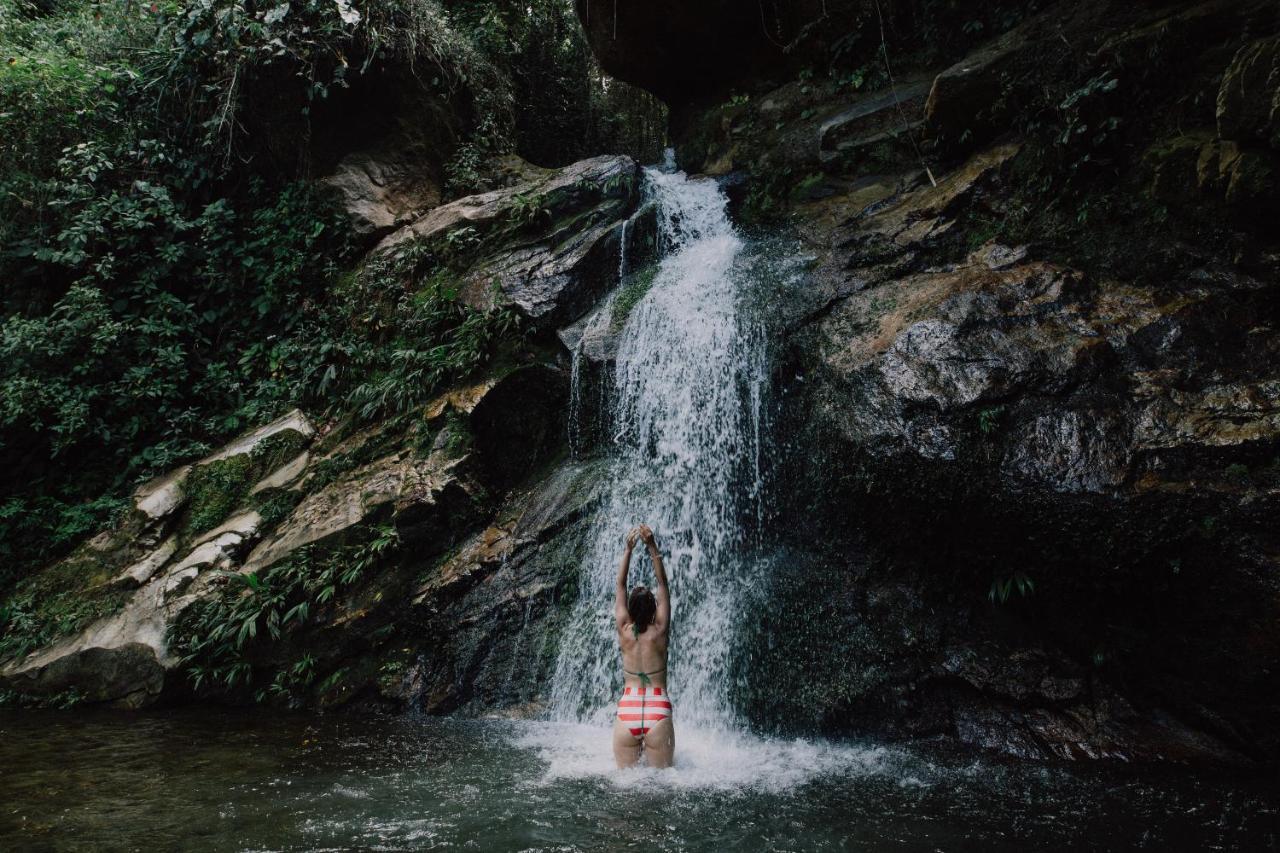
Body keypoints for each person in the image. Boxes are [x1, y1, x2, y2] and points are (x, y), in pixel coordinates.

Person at [612, 523, 674, 769]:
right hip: (657, 709)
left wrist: (628, 550)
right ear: (653, 611)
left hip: (627, 709)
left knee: (626, 788)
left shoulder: (624, 629)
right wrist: (651, 546)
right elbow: (663, 585)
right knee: (662, 788)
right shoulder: (659, 631)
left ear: (630, 609)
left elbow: (620, 585)